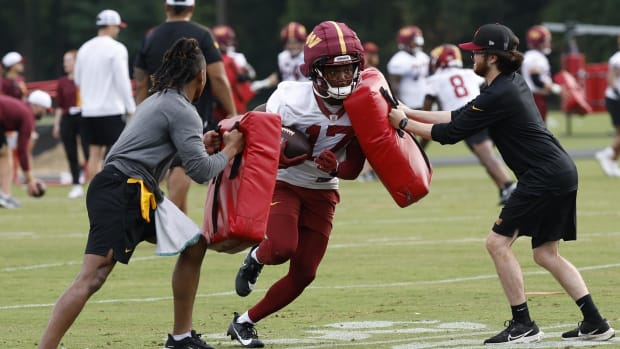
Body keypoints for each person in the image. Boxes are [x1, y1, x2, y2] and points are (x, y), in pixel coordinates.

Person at [388, 23, 615, 345]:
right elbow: (461, 115)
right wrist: (409, 112)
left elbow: (450, 135)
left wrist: (406, 124)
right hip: (559, 171)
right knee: (546, 254)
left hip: (543, 176)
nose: (472, 58)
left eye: (476, 53)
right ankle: (595, 322)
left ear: (491, 57)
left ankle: (523, 324)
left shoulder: (499, 92)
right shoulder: (508, 84)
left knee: (497, 243)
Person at [37, 37, 245, 349]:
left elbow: (156, 151)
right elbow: (202, 172)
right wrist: (230, 151)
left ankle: (181, 337)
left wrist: (200, 146)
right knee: (92, 276)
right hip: (124, 190)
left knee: (194, 245)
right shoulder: (183, 110)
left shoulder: (157, 99)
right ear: (201, 77)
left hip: (133, 188)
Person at [227, 20, 366, 348]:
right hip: (285, 183)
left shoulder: (363, 104)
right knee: (281, 248)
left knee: (305, 273)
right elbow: (259, 124)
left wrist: (337, 166)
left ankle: (244, 322)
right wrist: (278, 153)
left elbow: (354, 168)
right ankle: (257, 258)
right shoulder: (290, 97)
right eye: (336, 71)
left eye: (349, 69)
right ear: (316, 71)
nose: (345, 77)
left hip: (323, 189)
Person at [134, 0, 237, 213]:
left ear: (166, 7)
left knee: (172, 164)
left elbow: (141, 81)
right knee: (182, 165)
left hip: (156, 109)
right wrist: (233, 112)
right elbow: (217, 76)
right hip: (190, 108)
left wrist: (140, 113)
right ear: (192, 8)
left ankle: (181, 228)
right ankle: (165, 222)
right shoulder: (202, 34)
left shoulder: (151, 36)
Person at [424, 44, 515, 204]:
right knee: (484, 155)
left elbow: (426, 111)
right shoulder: (470, 73)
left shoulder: (434, 80)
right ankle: (503, 188)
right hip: (482, 112)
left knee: (486, 155)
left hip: (468, 117)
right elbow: (490, 88)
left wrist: (421, 144)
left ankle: (509, 186)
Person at [74, 9, 136, 182]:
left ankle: (94, 193)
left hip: (89, 111)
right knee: (120, 153)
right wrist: (131, 107)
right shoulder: (117, 49)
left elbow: (77, 79)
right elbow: (122, 81)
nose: (118, 31)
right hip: (111, 110)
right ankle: (117, 190)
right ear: (111, 26)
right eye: (117, 27)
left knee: (94, 153)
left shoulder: (84, 48)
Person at [0, 90, 50, 208]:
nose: (45, 113)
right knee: (5, 154)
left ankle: (5, 196)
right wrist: (30, 180)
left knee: (5, 154)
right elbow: (22, 150)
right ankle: (5, 196)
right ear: (37, 105)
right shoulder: (27, 116)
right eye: (45, 110)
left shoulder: (23, 109)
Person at [53, 49, 88, 199]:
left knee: (89, 151)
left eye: (68, 60)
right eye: (64, 61)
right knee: (71, 152)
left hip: (84, 116)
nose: (65, 64)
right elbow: (60, 105)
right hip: (68, 118)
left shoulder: (86, 79)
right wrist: (57, 124)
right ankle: (76, 184)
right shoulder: (62, 82)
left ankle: (94, 183)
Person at [250, 21, 309, 92]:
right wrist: (263, 83)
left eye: (295, 42)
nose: (292, 46)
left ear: (302, 42)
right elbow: (279, 76)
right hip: (287, 95)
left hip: (306, 93)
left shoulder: (308, 57)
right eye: (289, 43)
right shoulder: (283, 57)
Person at [212, 24, 256, 118]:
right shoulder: (213, 57)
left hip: (235, 96)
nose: (230, 42)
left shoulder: (237, 57)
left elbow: (252, 74)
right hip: (218, 98)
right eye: (227, 40)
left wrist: (243, 77)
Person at [521, 25, 562, 122]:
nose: (549, 43)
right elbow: (536, 80)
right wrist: (555, 88)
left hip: (532, 97)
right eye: (547, 40)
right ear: (540, 42)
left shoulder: (531, 56)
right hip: (536, 98)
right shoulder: (536, 57)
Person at [387, 25, 430, 110]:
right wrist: (398, 104)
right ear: (406, 43)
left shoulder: (423, 56)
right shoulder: (398, 60)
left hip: (425, 103)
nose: (418, 45)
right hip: (409, 105)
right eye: (414, 43)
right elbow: (394, 86)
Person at [595, 35, 620, 177]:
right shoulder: (618, 58)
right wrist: (618, 92)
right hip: (616, 99)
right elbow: (611, 76)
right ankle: (607, 154)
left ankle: (611, 161)